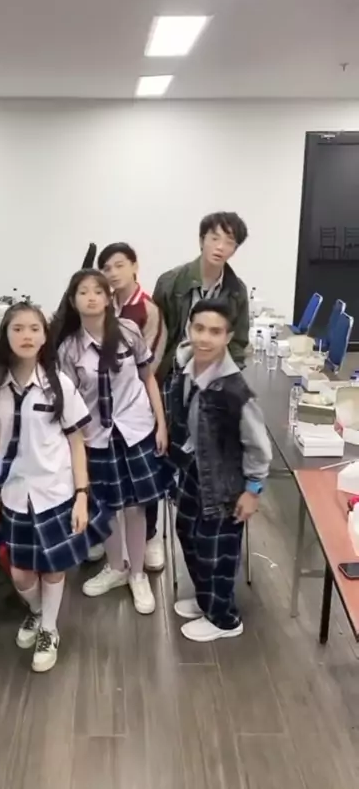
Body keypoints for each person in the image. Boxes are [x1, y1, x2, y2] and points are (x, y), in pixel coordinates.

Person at [0, 302, 111, 672]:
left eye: (34, 329)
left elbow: (77, 441)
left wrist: (81, 496)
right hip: (13, 493)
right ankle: (39, 610)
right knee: (21, 573)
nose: (26, 336)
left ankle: (49, 629)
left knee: (54, 567)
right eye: (17, 329)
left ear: (45, 337)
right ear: (5, 335)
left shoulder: (58, 384)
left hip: (55, 490)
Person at [52, 269, 168, 615]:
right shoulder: (69, 348)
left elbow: (148, 378)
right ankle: (116, 567)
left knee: (136, 506)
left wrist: (161, 424)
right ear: (73, 300)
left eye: (97, 291)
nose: (91, 297)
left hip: (136, 429)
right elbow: (69, 402)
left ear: (108, 298)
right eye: (83, 292)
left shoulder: (129, 332)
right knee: (106, 508)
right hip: (96, 436)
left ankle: (137, 574)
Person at [169, 298, 271, 643]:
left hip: (226, 485)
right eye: (199, 328)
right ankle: (206, 600)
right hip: (194, 472)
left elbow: (258, 447)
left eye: (215, 332)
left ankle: (224, 618)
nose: (205, 338)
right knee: (189, 535)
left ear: (228, 337)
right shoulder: (185, 368)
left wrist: (252, 490)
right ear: (189, 329)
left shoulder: (235, 391)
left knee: (217, 552)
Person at [148, 211, 250, 553]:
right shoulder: (171, 282)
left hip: (212, 384)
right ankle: (151, 536)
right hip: (172, 379)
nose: (220, 247)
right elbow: (156, 337)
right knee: (159, 454)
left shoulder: (236, 291)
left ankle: (198, 527)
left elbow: (239, 344)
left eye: (229, 242)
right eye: (215, 238)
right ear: (202, 239)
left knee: (205, 457)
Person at [87, 241, 167, 570]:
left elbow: (148, 366)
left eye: (120, 265)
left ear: (135, 266)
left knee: (142, 485)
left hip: (138, 406)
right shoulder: (106, 304)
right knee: (109, 483)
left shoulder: (146, 310)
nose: (113, 273)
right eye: (106, 268)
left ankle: (149, 538)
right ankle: (110, 542)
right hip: (103, 412)